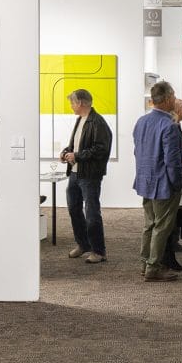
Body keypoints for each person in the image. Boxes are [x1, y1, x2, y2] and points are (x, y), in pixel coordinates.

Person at [133, 81, 182, 282]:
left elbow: (137, 151)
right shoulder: (169, 126)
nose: (174, 100)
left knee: (149, 224)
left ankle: (145, 263)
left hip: (145, 180)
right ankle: (153, 267)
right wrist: (177, 183)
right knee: (162, 226)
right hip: (163, 183)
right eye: (173, 96)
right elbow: (172, 161)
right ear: (166, 99)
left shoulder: (141, 121)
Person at [61, 89, 113, 264]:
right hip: (75, 173)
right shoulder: (80, 120)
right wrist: (66, 153)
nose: (71, 106)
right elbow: (75, 145)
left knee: (91, 213)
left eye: (72, 103)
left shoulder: (98, 122)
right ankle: (83, 244)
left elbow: (101, 149)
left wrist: (77, 156)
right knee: (73, 209)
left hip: (89, 175)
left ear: (80, 103)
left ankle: (99, 251)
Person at [161, 98, 182, 273]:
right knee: (168, 220)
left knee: (172, 218)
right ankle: (166, 258)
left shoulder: (173, 126)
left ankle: (168, 252)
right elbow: (170, 158)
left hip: (173, 178)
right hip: (172, 180)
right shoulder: (172, 127)